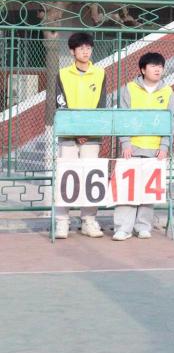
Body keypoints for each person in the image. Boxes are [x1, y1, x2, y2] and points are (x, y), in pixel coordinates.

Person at [113, 52, 174, 241]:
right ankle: (123, 228)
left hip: (155, 150)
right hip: (131, 148)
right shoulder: (129, 89)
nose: (158, 69)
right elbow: (122, 118)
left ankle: (143, 226)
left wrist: (164, 146)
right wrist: (125, 142)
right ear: (142, 69)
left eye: (160, 66)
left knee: (149, 191)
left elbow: (171, 121)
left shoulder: (168, 91)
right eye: (153, 66)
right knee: (127, 189)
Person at [53, 31, 108, 239]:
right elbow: (61, 103)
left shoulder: (100, 73)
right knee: (66, 177)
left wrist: (87, 131)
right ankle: (62, 222)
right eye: (81, 48)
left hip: (91, 136)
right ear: (72, 51)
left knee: (91, 177)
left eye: (88, 48)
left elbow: (101, 105)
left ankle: (89, 221)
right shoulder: (62, 74)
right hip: (68, 135)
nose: (85, 51)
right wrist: (75, 132)